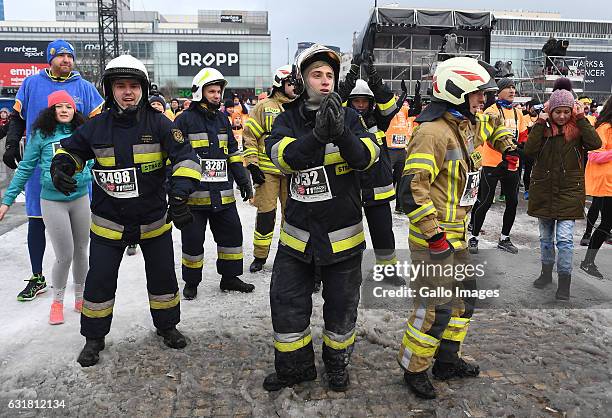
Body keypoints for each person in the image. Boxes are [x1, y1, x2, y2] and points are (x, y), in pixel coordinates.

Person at [50, 55, 202, 366]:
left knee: (162, 278)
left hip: (153, 221)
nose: (128, 92)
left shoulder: (161, 124)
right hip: (109, 224)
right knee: (100, 282)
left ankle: (167, 326)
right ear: (109, 90)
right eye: (121, 86)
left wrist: (180, 196)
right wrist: (62, 166)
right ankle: (94, 338)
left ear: (144, 89)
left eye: (134, 86)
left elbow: (186, 159)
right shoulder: (95, 127)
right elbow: (71, 150)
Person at [396, 57, 516, 399]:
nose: (484, 100)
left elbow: (492, 127)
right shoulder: (432, 132)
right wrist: (434, 236)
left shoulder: (464, 124)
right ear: (457, 91)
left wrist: (509, 146)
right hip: (433, 237)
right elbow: (412, 190)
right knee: (435, 308)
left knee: (464, 300)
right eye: (478, 94)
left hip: (456, 233)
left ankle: (447, 360)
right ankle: (413, 368)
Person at [262, 44, 379, 392]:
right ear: (302, 79)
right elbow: (284, 159)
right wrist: (316, 136)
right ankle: (294, 368)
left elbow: (366, 158)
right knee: (286, 305)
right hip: (297, 238)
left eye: (330, 75)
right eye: (317, 74)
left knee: (341, 311)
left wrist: (341, 132)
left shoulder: (353, 118)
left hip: (342, 237)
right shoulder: (287, 119)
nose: (325, 80)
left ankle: (337, 364)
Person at [2, 39, 103, 302]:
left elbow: (100, 123)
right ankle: (37, 277)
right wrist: (12, 144)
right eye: (60, 56)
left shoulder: (84, 87)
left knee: (81, 238)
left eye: (70, 56)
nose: (66, 60)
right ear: (50, 59)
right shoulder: (31, 83)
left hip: (77, 171)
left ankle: (81, 286)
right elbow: (17, 118)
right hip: (40, 169)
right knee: (35, 221)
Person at [0, 91, 91, 324]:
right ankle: (57, 302)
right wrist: (6, 201)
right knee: (65, 254)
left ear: (74, 110)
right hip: (52, 201)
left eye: (68, 107)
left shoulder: (82, 133)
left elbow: (93, 163)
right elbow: (25, 169)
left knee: (82, 251)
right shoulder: (41, 135)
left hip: (80, 199)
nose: (64, 110)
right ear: (51, 111)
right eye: (59, 106)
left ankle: (80, 298)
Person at [174, 67, 255, 299]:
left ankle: (230, 278)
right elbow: (176, 157)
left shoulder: (222, 119)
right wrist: (175, 194)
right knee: (192, 243)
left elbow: (232, 152)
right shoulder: (184, 121)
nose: (217, 96)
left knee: (232, 236)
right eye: (212, 91)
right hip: (195, 197)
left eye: (219, 91)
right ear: (199, 92)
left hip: (223, 195)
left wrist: (243, 180)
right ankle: (191, 282)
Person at [527, 88, 601, 300]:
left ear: (572, 111)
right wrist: (540, 123)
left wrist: (580, 118)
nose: (561, 116)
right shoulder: (542, 128)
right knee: (546, 239)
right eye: (557, 112)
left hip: (570, 191)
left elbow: (595, 143)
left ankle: (564, 282)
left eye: (566, 112)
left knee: (565, 240)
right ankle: (545, 274)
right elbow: (529, 151)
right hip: (544, 190)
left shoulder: (578, 130)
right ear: (550, 111)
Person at [338, 56, 405, 286]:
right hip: (350, 190)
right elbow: (333, 101)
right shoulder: (341, 120)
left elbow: (388, 102)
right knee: (344, 237)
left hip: (378, 188)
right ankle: (339, 274)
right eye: (355, 100)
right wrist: (351, 74)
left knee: (383, 234)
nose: (360, 105)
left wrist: (373, 76)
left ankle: (388, 271)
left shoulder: (380, 119)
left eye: (364, 101)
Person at [242, 65, 296, 272]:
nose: (294, 87)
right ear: (279, 84)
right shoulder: (264, 106)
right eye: (290, 83)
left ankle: (288, 255)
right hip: (267, 173)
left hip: (292, 173)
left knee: (291, 217)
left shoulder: (300, 107)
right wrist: (253, 165)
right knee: (266, 214)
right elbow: (249, 137)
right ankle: (260, 256)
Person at [469, 78, 527, 254]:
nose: (512, 91)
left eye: (513, 87)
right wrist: (507, 147)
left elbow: (523, 136)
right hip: (492, 163)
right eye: (508, 87)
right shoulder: (491, 111)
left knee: (513, 202)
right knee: (485, 201)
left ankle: (504, 238)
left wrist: (520, 147)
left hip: (512, 164)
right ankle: (474, 237)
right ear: (498, 91)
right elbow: (488, 136)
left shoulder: (518, 113)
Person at [580, 97, 612, 279]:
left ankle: (588, 261)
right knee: (607, 222)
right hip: (606, 182)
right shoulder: (604, 127)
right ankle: (587, 261)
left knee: (608, 222)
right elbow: (593, 155)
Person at [385, 90, 421, 213]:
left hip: (401, 150)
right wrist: (403, 95)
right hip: (389, 149)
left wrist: (417, 96)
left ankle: (399, 205)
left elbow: (416, 111)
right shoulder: (389, 111)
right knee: (386, 178)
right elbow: (395, 108)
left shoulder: (404, 111)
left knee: (402, 180)